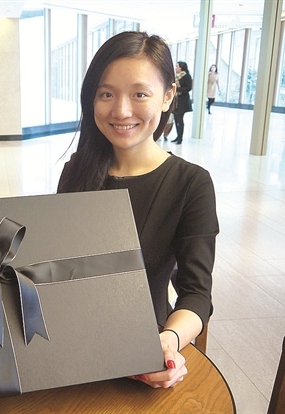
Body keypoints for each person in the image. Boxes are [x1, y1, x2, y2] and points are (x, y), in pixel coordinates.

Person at [57, 31, 218, 389]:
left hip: (144, 346)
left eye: (139, 94)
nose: (121, 111)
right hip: (73, 348)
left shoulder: (191, 184)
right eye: (106, 94)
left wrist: (168, 342)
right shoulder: (76, 171)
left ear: (168, 96)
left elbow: (196, 293)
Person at [171, 61, 192, 144]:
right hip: (176, 100)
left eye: (177, 66)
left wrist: (178, 89)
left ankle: (180, 138)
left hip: (183, 101)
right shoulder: (177, 76)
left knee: (180, 119)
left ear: (181, 67)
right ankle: (178, 136)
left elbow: (189, 88)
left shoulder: (187, 76)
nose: (175, 68)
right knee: (176, 119)